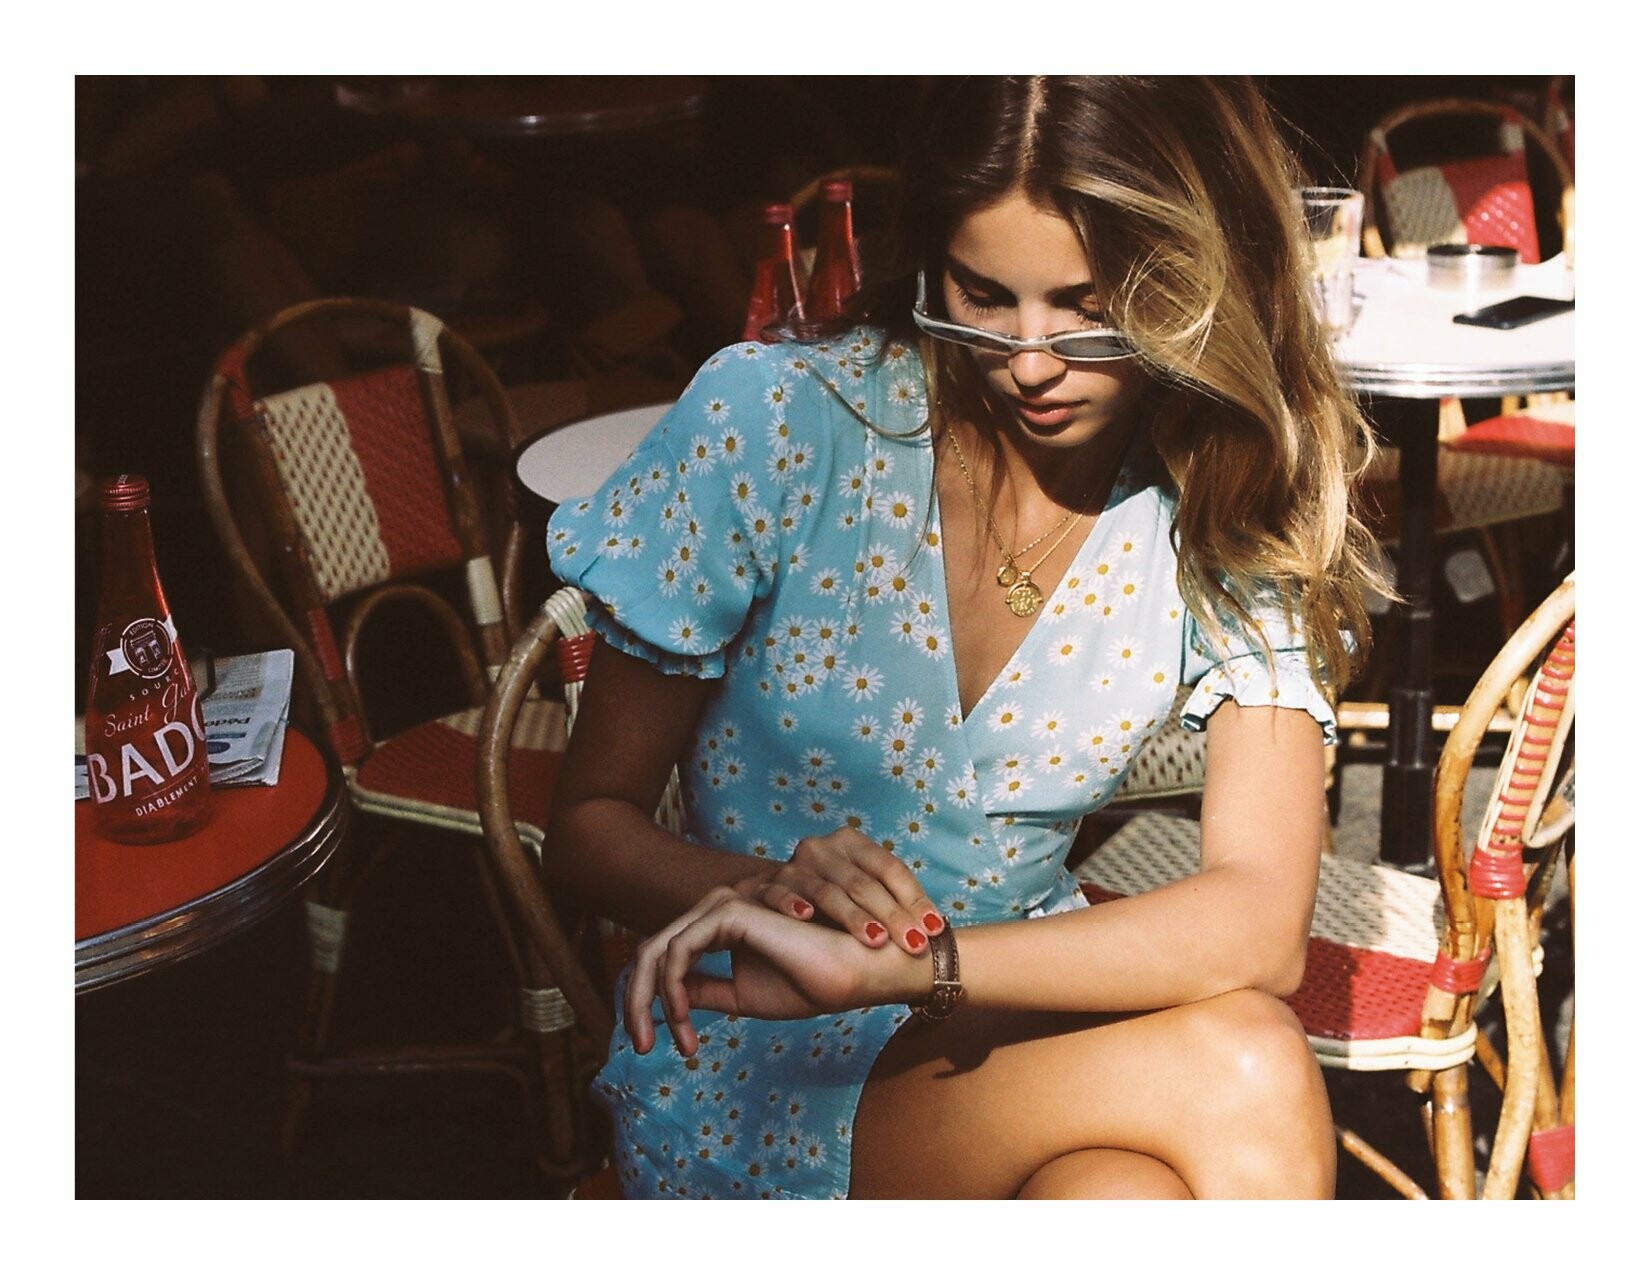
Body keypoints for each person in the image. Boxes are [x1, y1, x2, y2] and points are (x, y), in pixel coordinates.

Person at [542, 76, 1385, 1200]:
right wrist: (775, 893)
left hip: (1013, 1021)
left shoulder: (1225, 492)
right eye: (982, 295)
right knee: (1247, 1064)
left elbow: (1259, 923)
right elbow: (587, 826)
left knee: (1126, 1206)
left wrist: (916, 966)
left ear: (1194, 278)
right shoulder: (778, 419)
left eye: (1085, 304)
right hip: (762, 1052)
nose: (1029, 359)